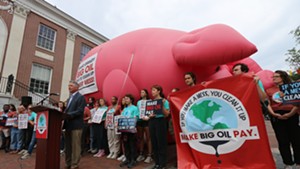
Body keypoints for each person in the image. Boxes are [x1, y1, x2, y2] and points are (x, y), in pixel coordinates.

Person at [266, 70, 300, 169]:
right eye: (273, 77)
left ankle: (298, 162)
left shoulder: (292, 87)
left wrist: (290, 114)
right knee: (282, 140)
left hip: (292, 114)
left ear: (282, 77)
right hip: (276, 115)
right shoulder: (269, 90)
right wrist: (273, 113)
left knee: (296, 139)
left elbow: (297, 102)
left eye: (276, 76)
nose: (274, 78)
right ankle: (288, 163)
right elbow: (267, 103)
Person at [144, 85, 170, 169]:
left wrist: (161, 105)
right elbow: (148, 114)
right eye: (152, 90)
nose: (152, 92)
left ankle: (162, 164)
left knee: (161, 142)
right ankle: (157, 163)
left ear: (159, 91)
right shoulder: (150, 102)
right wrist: (148, 116)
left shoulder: (164, 101)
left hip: (160, 121)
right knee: (154, 142)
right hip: (152, 121)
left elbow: (166, 114)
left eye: (154, 90)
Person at [62, 80, 86, 169]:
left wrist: (69, 115)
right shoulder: (69, 98)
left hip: (76, 125)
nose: (69, 87)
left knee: (76, 146)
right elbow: (67, 110)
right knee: (67, 146)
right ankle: (68, 163)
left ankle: (75, 164)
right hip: (68, 125)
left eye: (71, 86)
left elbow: (80, 111)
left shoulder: (80, 97)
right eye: (68, 86)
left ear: (77, 87)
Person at [119, 94, 139, 168]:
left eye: (127, 99)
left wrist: (133, 121)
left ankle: (133, 159)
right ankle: (128, 158)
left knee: (132, 144)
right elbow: (122, 117)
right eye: (125, 99)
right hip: (124, 129)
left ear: (131, 99)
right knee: (125, 144)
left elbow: (137, 117)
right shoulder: (125, 109)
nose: (126, 100)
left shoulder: (135, 108)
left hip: (131, 129)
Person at [136, 89, 153, 163]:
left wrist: (148, 117)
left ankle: (149, 155)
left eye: (143, 92)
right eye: (141, 92)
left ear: (146, 93)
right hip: (140, 121)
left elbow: (151, 110)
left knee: (149, 138)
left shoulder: (150, 101)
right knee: (141, 137)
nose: (141, 93)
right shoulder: (138, 102)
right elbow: (138, 111)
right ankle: (141, 154)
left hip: (147, 120)